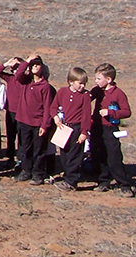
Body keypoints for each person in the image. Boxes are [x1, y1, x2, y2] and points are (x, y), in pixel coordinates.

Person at [89, 63, 133, 196]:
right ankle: (103, 180)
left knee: (114, 156)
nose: (96, 81)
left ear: (109, 79)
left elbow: (127, 112)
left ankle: (124, 184)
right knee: (98, 154)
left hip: (110, 129)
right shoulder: (97, 90)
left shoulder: (118, 94)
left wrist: (111, 113)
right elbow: (87, 99)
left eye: (98, 78)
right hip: (96, 127)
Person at [13, 54, 55, 185]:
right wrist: (26, 61)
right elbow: (18, 74)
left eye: (37, 65)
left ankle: (38, 173)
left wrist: (45, 125)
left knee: (39, 150)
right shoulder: (26, 81)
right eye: (33, 65)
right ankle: (26, 170)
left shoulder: (45, 86)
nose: (35, 67)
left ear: (42, 68)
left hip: (38, 123)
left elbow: (48, 107)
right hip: (24, 121)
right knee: (25, 148)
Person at [50, 67, 91, 191]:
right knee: (64, 154)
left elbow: (86, 115)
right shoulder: (62, 92)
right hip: (64, 127)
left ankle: (71, 181)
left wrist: (84, 132)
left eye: (84, 83)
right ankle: (67, 176)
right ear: (71, 81)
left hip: (77, 128)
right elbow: (53, 107)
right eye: (80, 83)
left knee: (75, 155)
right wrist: (55, 117)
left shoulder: (85, 96)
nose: (82, 86)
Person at [0, 57, 24, 166]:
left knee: (22, 137)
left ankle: (21, 159)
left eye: (18, 68)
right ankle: (10, 157)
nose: (16, 70)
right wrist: (7, 64)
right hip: (10, 112)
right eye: (14, 68)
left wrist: (22, 65)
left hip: (22, 113)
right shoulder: (10, 79)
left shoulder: (26, 80)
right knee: (10, 136)